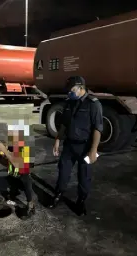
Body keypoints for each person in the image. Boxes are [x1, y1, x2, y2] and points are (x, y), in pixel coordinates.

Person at [50, 76, 103, 215]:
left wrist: (94, 150)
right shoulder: (69, 103)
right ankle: (58, 195)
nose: (69, 92)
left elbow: (98, 128)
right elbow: (63, 124)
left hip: (85, 148)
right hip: (69, 146)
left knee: (84, 176)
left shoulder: (93, 104)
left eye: (72, 89)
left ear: (81, 88)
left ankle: (81, 201)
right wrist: (57, 140)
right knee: (63, 172)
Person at [0, 120, 35, 218]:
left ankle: (30, 204)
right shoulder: (11, 147)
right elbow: (5, 163)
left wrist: (5, 151)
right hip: (13, 176)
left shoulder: (26, 150)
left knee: (26, 180)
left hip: (23, 179)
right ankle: (13, 192)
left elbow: (19, 164)